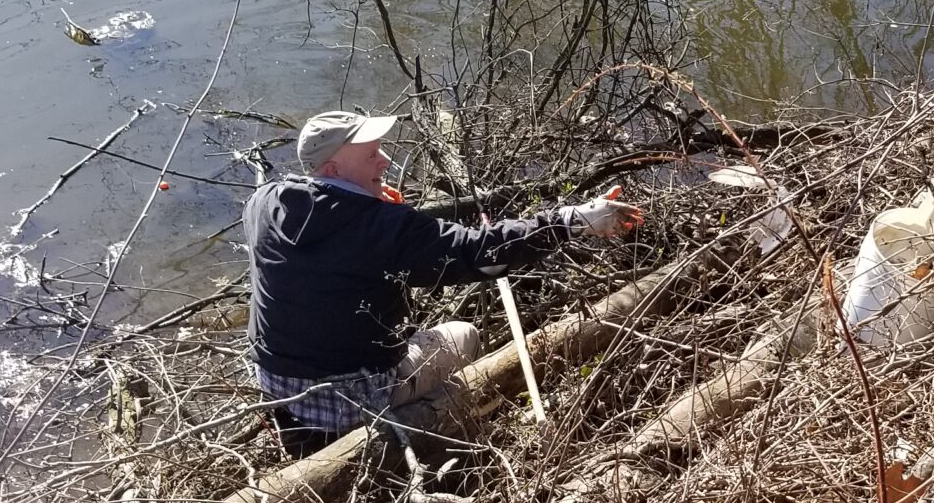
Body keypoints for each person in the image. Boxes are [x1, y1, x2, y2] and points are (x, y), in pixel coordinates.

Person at [245, 110, 639, 450]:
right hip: (353, 396)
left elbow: (329, 247)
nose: (385, 160)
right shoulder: (380, 228)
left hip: (278, 386)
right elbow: (480, 254)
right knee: (463, 335)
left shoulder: (262, 202)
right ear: (333, 169)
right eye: (370, 155)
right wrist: (573, 219)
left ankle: (303, 433)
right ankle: (441, 430)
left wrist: (363, 201)